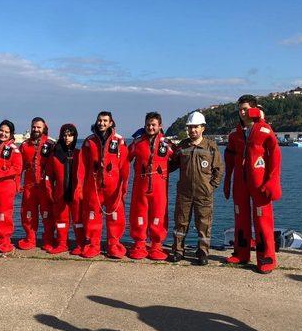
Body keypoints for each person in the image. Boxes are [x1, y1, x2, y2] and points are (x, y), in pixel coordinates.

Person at [224, 95, 282, 273]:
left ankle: (266, 257)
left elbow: (275, 156)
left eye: (245, 109)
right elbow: (229, 158)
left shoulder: (264, 130)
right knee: (240, 218)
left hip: (259, 183)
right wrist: (227, 179)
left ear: (254, 109)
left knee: (262, 219)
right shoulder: (235, 135)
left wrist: (272, 181)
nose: (242, 113)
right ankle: (241, 253)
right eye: (240, 110)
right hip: (240, 183)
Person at [169, 111, 223, 265]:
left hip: (204, 193)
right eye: (190, 127)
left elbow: (219, 168)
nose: (192, 130)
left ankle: (202, 252)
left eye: (195, 127)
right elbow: (172, 164)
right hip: (184, 192)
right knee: (180, 223)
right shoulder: (183, 146)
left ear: (202, 128)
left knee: (203, 224)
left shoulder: (210, 146)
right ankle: (178, 251)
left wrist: (212, 186)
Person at [79, 111, 129, 259]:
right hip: (94, 185)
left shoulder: (119, 141)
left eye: (105, 121)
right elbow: (82, 166)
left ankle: (113, 244)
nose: (102, 123)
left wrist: (124, 186)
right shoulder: (89, 141)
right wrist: (80, 187)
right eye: (100, 120)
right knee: (93, 215)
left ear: (111, 123)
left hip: (113, 186)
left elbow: (124, 166)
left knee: (115, 216)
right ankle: (94, 244)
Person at [127, 112, 173, 260]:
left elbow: (179, 159)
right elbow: (124, 159)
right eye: (148, 125)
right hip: (141, 187)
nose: (150, 127)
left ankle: (156, 245)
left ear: (160, 126)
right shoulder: (137, 143)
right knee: (139, 214)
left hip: (159, 188)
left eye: (153, 125)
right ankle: (139, 243)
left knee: (158, 215)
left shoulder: (167, 144)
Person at [44, 123, 85, 255]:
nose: (67, 138)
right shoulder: (55, 155)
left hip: (76, 194)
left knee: (78, 221)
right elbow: (48, 176)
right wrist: (50, 193)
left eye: (70, 135)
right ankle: (62, 243)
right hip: (60, 194)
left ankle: (80, 244)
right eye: (65, 135)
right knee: (61, 220)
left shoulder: (80, 154)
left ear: (75, 136)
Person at [18, 117, 54, 250]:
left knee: (47, 214)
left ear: (44, 128)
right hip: (29, 186)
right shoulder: (25, 145)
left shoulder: (50, 145)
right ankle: (30, 239)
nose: (36, 129)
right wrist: (17, 184)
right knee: (28, 213)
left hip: (45, 186)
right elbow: (19, 167)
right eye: (34, 127)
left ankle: (49, 239)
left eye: (39, 127)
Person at [0, 120, 22, 253]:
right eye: (1, 130)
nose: (3, 133)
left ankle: (4, 241)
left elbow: (17, 168)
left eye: (6, 132)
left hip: (6, 188)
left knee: (4, 216)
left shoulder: (14, 150)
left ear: (11, 134)